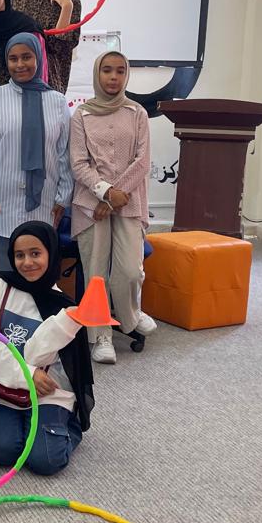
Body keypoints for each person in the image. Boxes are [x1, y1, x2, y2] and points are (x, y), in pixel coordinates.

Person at [0, 221, 94, 477]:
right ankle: (4, 426)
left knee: (45, 460)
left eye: (35, 253)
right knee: (1, 452)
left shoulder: (63, 307)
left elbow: (39, 355)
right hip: (3, 387)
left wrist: (63, 324)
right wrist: (28, 374)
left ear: (51, 253)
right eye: (19, 255)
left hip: (47, 391)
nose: (27, 262)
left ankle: (67, 427)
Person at [68, 50, 156, 364]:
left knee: (130, 270)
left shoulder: (137, 112)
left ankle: (130, 315)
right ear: (97, 74)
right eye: (107, 70)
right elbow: (78, 163)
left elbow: (142, 161)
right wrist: (105, 193)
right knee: (95, 274)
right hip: (90, 204)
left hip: (129, 202)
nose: (113, 77)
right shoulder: (82, 115)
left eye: (120, 71)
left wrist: (116, 195)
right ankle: (100, 335)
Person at [0, 33, 72, 276]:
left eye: (26, 57)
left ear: (39, 58)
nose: (20, 64)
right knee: (0, 280)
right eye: (13, 58)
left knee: (37, 276)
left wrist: (63, 198)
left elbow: (65, 153)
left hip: (44, 205)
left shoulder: (57, 102)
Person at [14, 0, 82, 94]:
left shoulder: (71, 1)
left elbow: (61, 47)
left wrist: (66, 8)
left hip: (52, 80)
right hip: (21, 76)